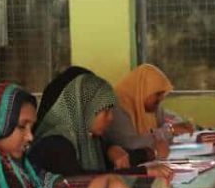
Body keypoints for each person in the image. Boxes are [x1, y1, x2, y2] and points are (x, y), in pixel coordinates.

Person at [0, 82, 131, 188]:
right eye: (21, 126)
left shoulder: (21, 166)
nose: (30, 136)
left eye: (31, 128)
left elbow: (56, 184)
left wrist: (108, 180)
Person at [29, 67, 173, 181]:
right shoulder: (55, 142)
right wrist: (143, 172)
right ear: (84, 108)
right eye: (105, 111)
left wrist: (149, 153)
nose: (111, 118)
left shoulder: (89, 139)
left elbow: (118, 162)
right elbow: (78, 180)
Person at [104, 64, 196, 164]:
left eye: (162, 94)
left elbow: (178, 121)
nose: (161, 99)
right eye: (157, 94)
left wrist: (171, 128)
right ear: (143, 90)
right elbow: (130, 143)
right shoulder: (116, 107)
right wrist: (168, 131)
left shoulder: (149, 107)